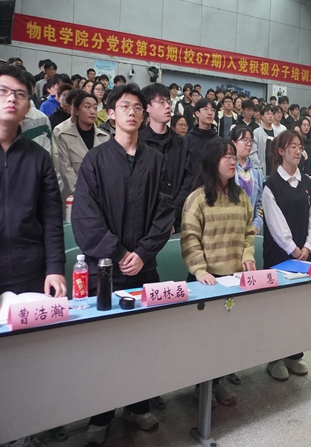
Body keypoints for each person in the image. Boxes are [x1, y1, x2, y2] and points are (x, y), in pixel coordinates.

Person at [72, 83, 174, 443]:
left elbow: (165, 213)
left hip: (144, 270)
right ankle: (100, 416)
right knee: (104, 346)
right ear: (111, 113)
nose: (132, 112)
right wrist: (117, 253)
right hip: (106, 272)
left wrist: (143, 253)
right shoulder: (96, 160)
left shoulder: (156, 160)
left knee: (141, 343)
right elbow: (85, 217)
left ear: (144, 116)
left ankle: (137, 406)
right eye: (125, 106)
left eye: (138, 107)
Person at [0, 65, 67, 447]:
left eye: (20, 94)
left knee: (29, 356)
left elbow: (52, 218)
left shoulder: (38, 158)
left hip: (31, 270)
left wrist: (55, 268)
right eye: (3, 91)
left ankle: (29, 426)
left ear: (28, 106)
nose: (11, 99)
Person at [180, 138, 255, 405]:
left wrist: (247, 255)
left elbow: (249, 232)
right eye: (227, 157)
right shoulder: (197, 199)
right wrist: (199, 270)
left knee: (228, 336)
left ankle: (219, 381)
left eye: (234, 156)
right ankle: (202, 386)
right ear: (213, 162)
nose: (233, 161)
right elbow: (189, 237)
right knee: (205, 338)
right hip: (206, 282)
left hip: (234, 280)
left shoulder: (241, 196)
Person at [261, 131, 311, 381]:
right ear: (281, 151)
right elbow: (275, 224)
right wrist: (293, 249)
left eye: (300, 146)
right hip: (278, 255)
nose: (297, 150)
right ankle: (274, 358)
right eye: (292, 146)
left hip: (303, 255)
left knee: (298, 306)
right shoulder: (271, 184)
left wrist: (308, 246)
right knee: (278, 307)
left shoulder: (308, 182)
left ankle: (294, 355)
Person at [140, 83, 193, 233]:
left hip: (177, 220)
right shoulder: (139, 142)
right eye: (161, 102)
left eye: (168, 102)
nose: (167, 106)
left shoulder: (181, 142)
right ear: (147, 107)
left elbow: (188, 180)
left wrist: (171, 215)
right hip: (146, 221)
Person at [53, 91, 110, 206]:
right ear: (76, 111)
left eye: (95, 108)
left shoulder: (105, 138)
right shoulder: (64, 137)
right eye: (87, 107)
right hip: (75, 198)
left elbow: (108, 171)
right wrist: (84, 196)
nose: (92, 111)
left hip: (101, 198)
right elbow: (66, 172)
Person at [230, 126, 265, 235]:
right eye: (245, 140)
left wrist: (256, 225)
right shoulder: (228, 170)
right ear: (233, 143)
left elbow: (262, 203)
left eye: (250, 141)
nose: (249, 144)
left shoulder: (257, 173)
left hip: (251, 230)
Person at [186, 98, 218, 179]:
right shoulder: (188, 139)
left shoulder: (218, 140)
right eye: (206, 109)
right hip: (192, 184)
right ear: (197, 113)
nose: (210, 113)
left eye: (212, 110)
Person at [252, 104, 281, 176]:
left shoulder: (277, 133)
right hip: (261, 169)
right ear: (262, 116)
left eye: (272, 114)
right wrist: (259, 167)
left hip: (275, 169)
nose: (270, 116)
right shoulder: (257, 132)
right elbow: (253, 153)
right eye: (268, 114)